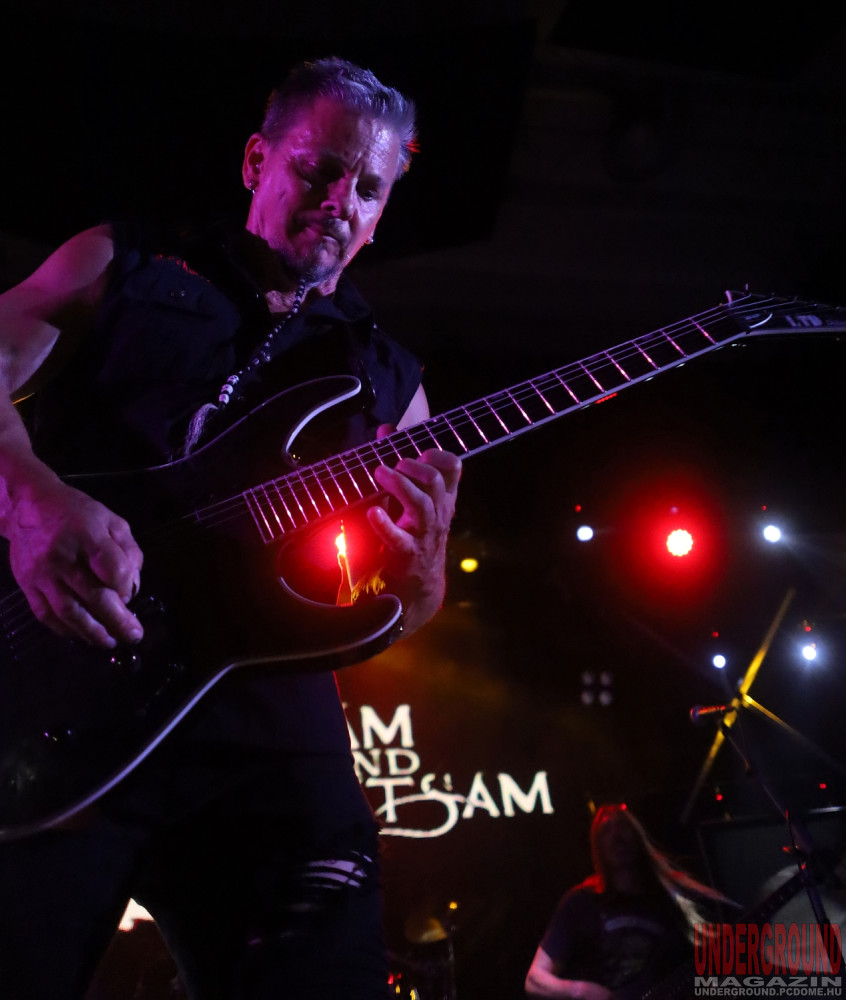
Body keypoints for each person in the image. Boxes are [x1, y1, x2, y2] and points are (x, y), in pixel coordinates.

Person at [0, 57, 461, 999]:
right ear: (258, 161)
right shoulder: (125, 262)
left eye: (367, 189)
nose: (340, 201)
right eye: (320, 169)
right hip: (52, 693)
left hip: (265, 745)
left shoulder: (389, 381)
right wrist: (29, 499)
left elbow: (403, 612)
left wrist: (421, 577)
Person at [525, 804, 734, 1000]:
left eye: (622, 826)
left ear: (637, 836)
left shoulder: (671, 901)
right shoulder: (581, 903)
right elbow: (534, 979)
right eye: (606, 830)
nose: (616, 835)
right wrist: (580, 990)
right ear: (598, 847)